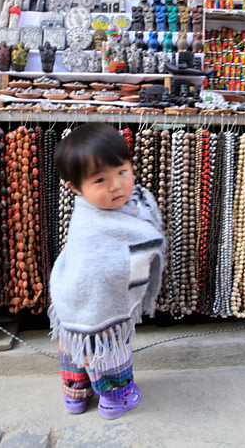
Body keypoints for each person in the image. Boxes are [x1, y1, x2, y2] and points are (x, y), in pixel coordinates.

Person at [50, 123, 165, 419]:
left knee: (76, 351)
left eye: (122, 172)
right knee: (107, 349)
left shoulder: (110, 206)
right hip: (99, 305)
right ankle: (116, 399)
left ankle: (75, 398)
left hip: (70, 300)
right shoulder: (92, 223)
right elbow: (107, 268)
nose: (116, 185)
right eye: (100, 180)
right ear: (76, 188)